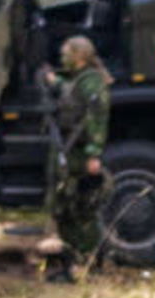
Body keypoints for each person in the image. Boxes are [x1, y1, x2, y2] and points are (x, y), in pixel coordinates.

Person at [44, 33, 110, 282]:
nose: (62, 58)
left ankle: (91, 260)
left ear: (79, 55)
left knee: (82, 209)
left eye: (66, 53)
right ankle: (72, 263)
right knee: (65, 207)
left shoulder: (91, 82)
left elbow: (97, 117)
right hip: (69, 151)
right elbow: (68, 92)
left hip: (80, 153)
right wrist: (53, 80)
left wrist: (94, 153)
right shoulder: (78, 80)